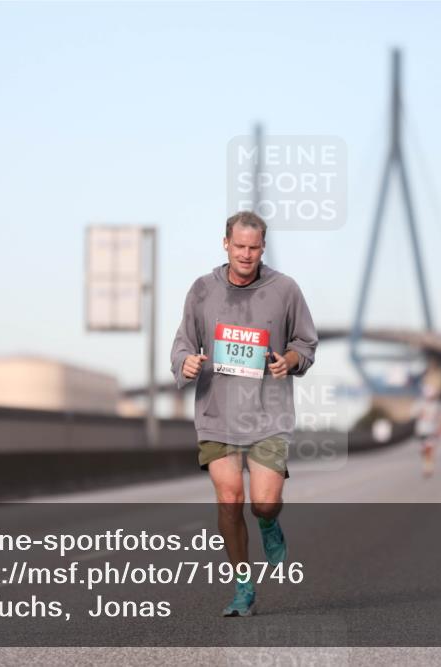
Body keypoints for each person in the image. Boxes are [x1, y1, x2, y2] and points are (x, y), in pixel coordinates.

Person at [170, 211, 318, 617]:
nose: (246, 255)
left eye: (254, 248)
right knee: (230, 499)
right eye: (239, 247)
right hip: (217, 413)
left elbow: (306, 344)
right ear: (225, 244)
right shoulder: (201, 291)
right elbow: (182, 345)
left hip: (268, 415)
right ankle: (242, 586)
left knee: (264, 504)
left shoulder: (285, 290)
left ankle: (269, 525)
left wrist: (288, 360)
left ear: (263, 248)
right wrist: (184, 364)